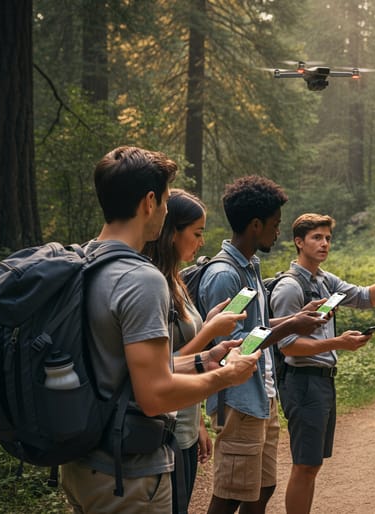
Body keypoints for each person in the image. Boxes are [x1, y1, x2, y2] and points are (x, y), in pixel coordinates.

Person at [60, 146, 260, 514]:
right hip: (128, 474)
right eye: (167, 201)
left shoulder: (81, 261)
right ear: (149, 202)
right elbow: (154, 395)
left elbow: (127, 371)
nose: (166, 210)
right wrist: (227, 376)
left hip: (80, 463)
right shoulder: (141, 279)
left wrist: (203, 360)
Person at [270, 213, 375, 514]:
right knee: (304, 465)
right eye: (316, 238)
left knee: (312, 464)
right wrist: (337, 343)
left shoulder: (324, 280)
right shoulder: (290, 287)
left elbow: (366, 297)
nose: (324, 244)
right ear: (298, 242)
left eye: (328, 238)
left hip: (321, 381)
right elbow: (287, 345)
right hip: (303, 381)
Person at [197, 177, 327, 514]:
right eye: (274, 225)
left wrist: (293, 319)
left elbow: (255, 328)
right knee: (229, 494)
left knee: (262, 488)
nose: (278, 232)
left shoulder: (250, 267)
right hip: (237, 401)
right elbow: (231, 349)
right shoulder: (225, 275)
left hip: (260, 394)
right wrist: (293, 326)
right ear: (255, 225)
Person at [142, 190, 248, 514]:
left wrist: (199, 419)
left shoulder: (175, 280)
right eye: (197, 233)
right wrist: (209, 333)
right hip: (164, 430)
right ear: (172, 231)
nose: (202, 242)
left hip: (185, 424)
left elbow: (182, 358)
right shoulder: (152, 284)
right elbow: (159, 367)